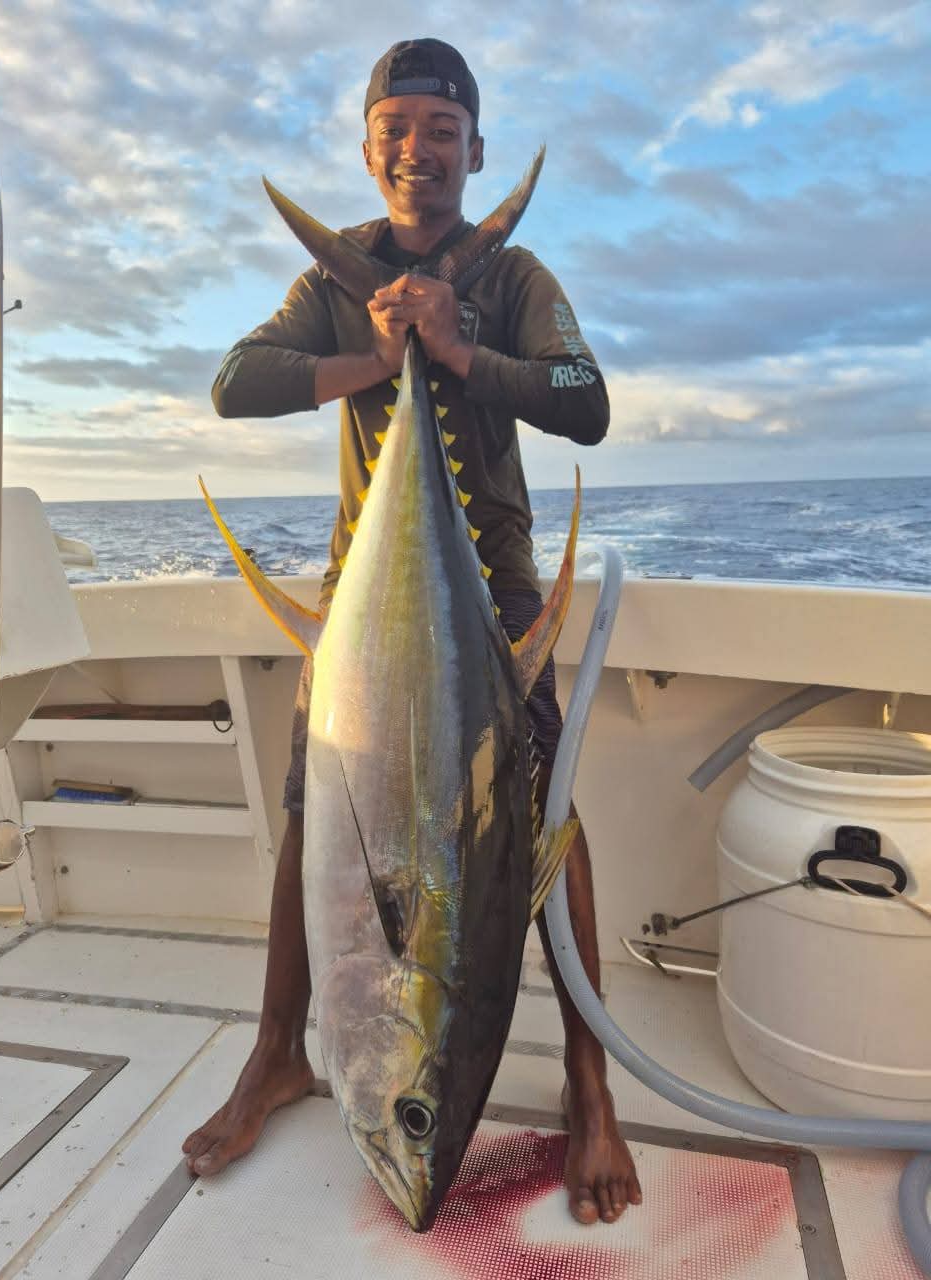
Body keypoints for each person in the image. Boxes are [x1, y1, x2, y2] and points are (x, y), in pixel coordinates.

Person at [183, 37, 642, 1227]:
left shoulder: (517, 273)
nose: (417, 149)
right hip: (365, 597)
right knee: (317, 814)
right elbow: (236, 381)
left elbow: (587, 402)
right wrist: (375, 357)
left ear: (476, 150)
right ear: (369, 147)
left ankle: (591, 1081)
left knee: (543, 821)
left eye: (442, 131)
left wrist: (457, 351)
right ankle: (276, 1052)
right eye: (396, 128)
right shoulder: (336, 279)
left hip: (494, 597)